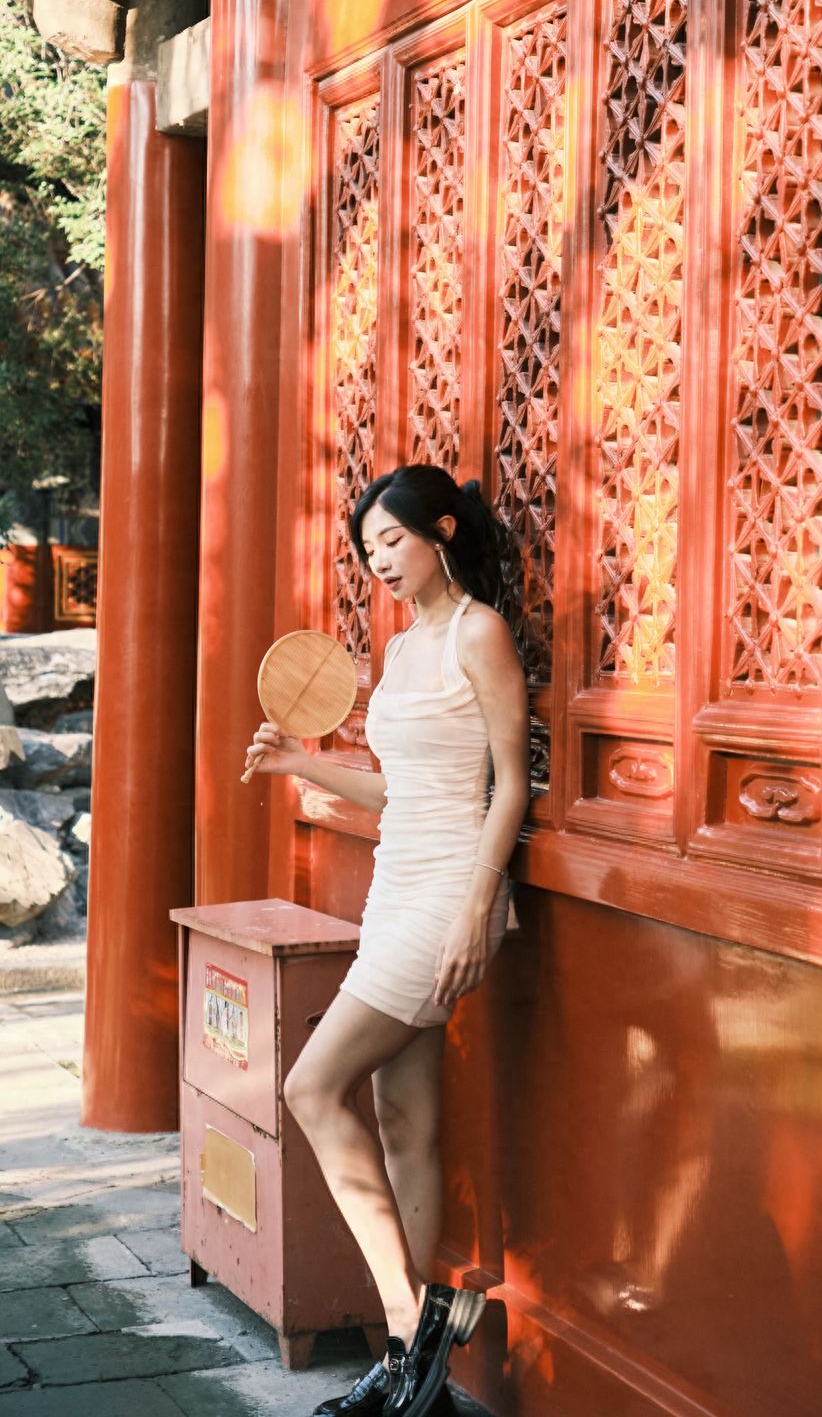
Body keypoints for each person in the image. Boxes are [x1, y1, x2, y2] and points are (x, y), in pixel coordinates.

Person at [244, 464, 530, 1417]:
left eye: (394, 545)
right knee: (401, 1119)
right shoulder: (403, 651)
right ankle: (420, 1381)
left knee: (308, 1087)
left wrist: (475, 911)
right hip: (395, 887)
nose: (383, 566)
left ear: (440, 531)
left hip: (450, 890)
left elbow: (509, 786)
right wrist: (300, 762)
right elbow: (400, 788)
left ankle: (410, 1327)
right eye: (370, 555)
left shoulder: (478, 634)